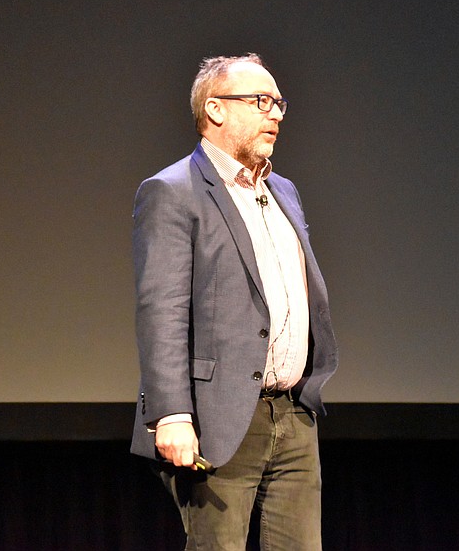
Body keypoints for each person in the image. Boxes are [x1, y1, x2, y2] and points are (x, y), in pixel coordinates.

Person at [130, 53, 339, 550]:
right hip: (217, 419)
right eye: (262, 102)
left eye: (280, 104)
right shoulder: (173, 191)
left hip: (291, 415)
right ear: (216, 109)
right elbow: (161, 310)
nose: (277, 115)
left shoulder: (282, 190)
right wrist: (172, 414)